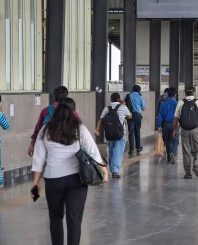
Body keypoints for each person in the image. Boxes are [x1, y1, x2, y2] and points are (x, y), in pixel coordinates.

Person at [32, 98, 108, 245]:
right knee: (74, 218)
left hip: (53, 179)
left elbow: (38, 158)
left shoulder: (45, 130)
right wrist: (104, 171)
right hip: (76, 180)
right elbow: (93, 151)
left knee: (55, 217)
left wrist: (35, 183)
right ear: (73, 113)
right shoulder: (80, 128)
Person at [28, 86, 79, 157]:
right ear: (67, 96)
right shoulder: (72, 111)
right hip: (68, 150)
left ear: (55, 96)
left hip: (49, 150)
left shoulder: (46, 110)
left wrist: (32, 145)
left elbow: (38, 129)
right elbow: (78, 129)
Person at [94, 93, 132, 179]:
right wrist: (124, 105)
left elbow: (101, 119)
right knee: (118, 153)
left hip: (109, 134)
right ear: (119, 99)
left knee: (111, 152)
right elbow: (130, 116)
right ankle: (115, 171)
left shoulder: (106, 109)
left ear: (111, 100)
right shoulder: (123, 107)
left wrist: (97, 129)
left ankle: (112, 168)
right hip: (120, 134)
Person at [174, 86, 198, 179]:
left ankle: (188, 173)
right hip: (195, 129)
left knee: (186, 151)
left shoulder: (181, 102)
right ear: (194, 93)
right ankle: (196, 166)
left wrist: (175, 130)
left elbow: (176, 118)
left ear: (185, 93)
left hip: (184, 130)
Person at [157, 88, 178, 164]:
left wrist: (158, 125)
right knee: (175, 141)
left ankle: (169, 157)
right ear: (175, 95)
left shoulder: (163, 104)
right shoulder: (177, 104)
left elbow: (160, 116)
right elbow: (179, 116)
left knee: (167, 141)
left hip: (165, 124)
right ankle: (173, 153)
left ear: (168, 95)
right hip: (174, 124)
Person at [125, 85, 146, 155]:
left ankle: (131, 149)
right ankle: (138, 148)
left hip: (129, 115)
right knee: (137, 132)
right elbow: (143, 108)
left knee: (131, 133)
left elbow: (124, 104)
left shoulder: (128, 96)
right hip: (137, 116)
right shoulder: (140, 97)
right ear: (139, 90)